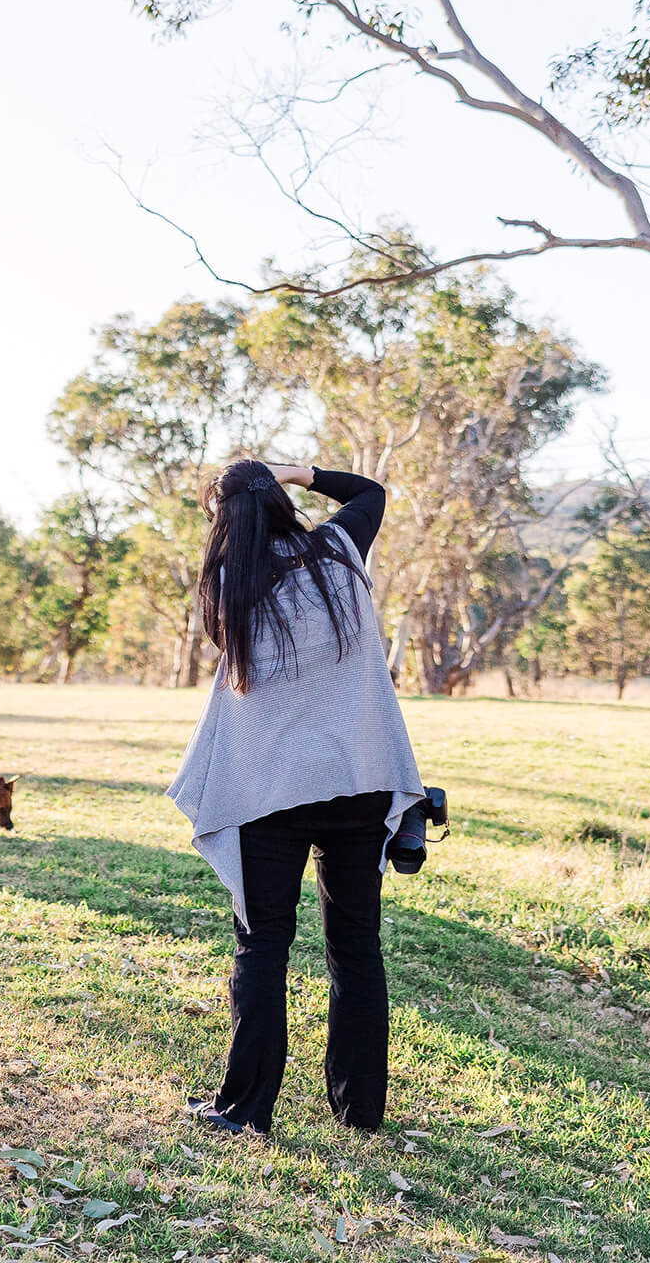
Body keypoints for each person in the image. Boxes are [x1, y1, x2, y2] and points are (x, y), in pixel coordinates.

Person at [166, 459, 423, 1137]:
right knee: (357, 948)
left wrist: (250, 493)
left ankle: (246, 1110)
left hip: (267, 791)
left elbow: (231, 655)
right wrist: (296, 472)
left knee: (263, 947)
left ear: (224, 521)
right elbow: (370, 492)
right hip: (356, 782)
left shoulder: (226, 584)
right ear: (279, 500)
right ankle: (359, 1112)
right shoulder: (340, 548)